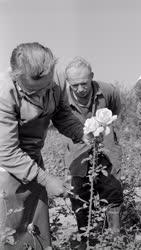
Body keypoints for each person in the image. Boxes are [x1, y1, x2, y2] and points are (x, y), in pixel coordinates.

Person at [0, 42, 85, 250]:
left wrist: (83, 133)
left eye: (45, 89)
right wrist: (47, 180)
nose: (40, 96)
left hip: (33, 162)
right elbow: (7, 152)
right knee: (11, 229)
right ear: (16, 76)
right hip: (6, 168)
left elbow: (62, 114)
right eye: (32, 92)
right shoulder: (4, 93)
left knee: (36, 228)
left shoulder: (55, 80)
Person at [64, 57, 123, 248]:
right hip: (77, 156)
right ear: (68, 83)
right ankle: (86, 240)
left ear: (92, 77)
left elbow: (115, 111)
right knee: (80, 200)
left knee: (112, 195)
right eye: (74, 85)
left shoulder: (107, 91)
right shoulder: (62, 99)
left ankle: (113, 240)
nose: (80, 89)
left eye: (84, 83)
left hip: (106, 153)